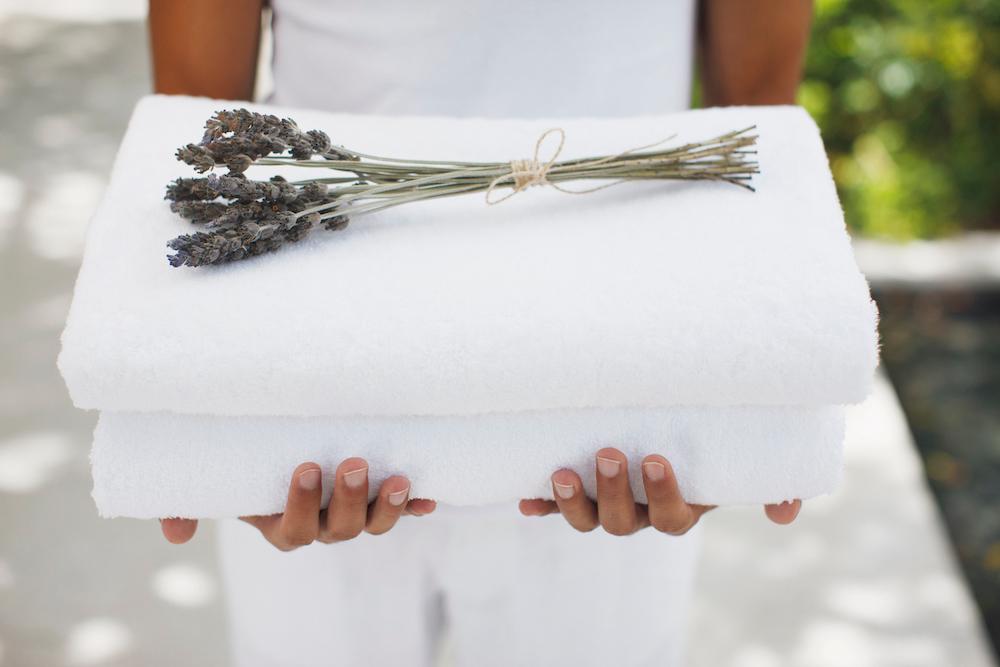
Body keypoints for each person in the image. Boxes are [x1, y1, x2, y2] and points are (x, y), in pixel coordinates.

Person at [150, 1, 812, 665]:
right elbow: (193, 133)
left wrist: (749, 404)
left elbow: (753, 120)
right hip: (310, 410)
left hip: (611, 412)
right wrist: (192, 420)